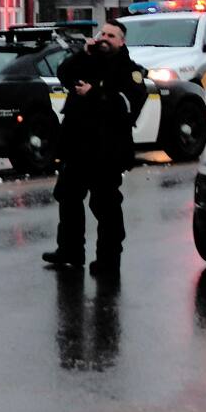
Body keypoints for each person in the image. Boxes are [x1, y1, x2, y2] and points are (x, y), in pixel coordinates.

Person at [41, 18, 146, 280]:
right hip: (76, 147)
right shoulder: (87, 62)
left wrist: (95, 93)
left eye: (112, 36)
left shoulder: (129, 71)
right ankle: (70, 252)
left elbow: (127, 105)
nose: (105, 39)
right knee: (68, 198)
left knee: (105, 206)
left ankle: (108, 261)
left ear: (122, 42)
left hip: (107, 151)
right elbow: (64, 74)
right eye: (103, 34)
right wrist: (82, 54)